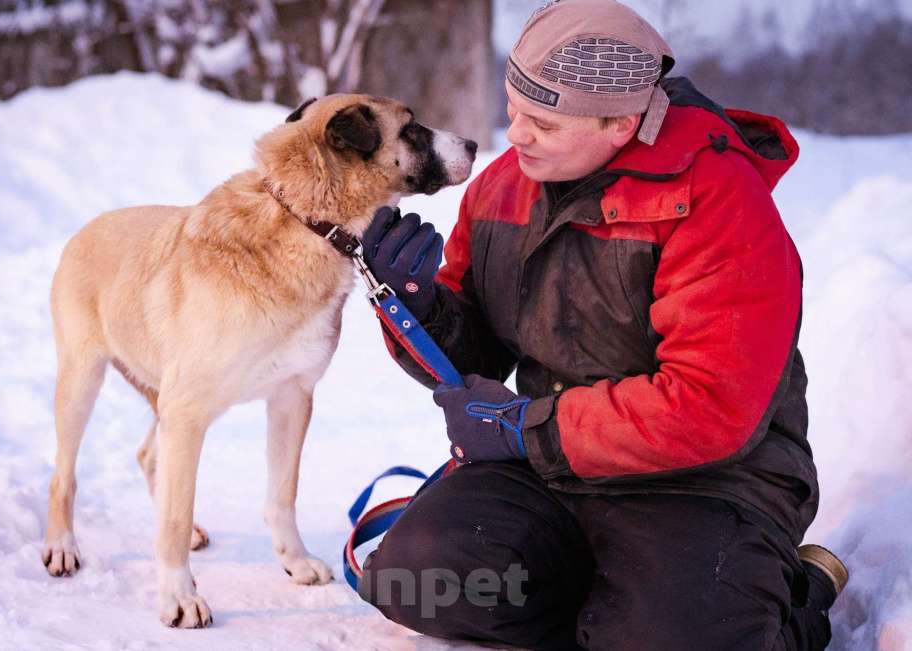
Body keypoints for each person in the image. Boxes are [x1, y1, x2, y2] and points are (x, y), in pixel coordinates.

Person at [357, 0, 848, 649]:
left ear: (621, 121)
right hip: (552, 468)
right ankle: (624, 617)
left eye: (543, 122)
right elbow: (472, 353)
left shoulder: (720, 203)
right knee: (410, 583)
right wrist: (416, 305)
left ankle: (785, 597)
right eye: (513, 109)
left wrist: (517, 428)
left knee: (673, 636)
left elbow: (708, 408)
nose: (515, 136)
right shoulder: (504, 188)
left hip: (707, 483)